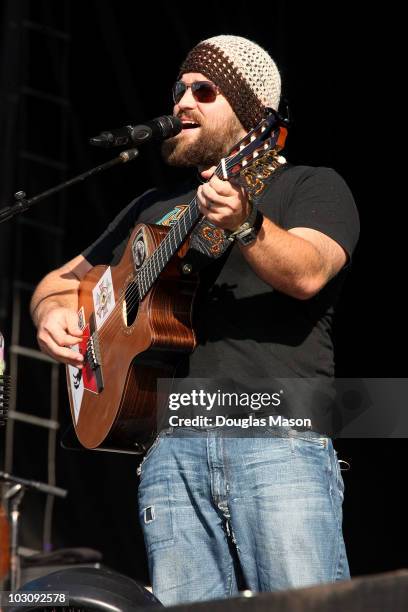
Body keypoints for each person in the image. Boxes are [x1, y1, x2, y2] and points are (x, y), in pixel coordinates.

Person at [30, 35, 360, 606]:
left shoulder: (309, 185)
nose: (181, 103)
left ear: (253, 113)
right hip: (169, 448)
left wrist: (246, 225)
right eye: (178, 90)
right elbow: (56, 283)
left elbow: (309, 271)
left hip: (278, 437)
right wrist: (53, 312)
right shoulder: (151, 209)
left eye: (202, 91)